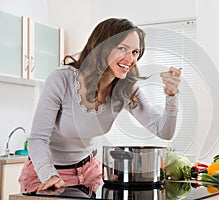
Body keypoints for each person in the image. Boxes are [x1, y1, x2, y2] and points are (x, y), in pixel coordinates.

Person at [18, 18, 181, 193]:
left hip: (89, 174)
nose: (130, 59)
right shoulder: (62, 79)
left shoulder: (126, 88)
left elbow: (164, 131)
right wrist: (49, 175)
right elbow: (37, 140)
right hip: (48, 175)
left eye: (135, 52)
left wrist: (171, 96)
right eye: (122, 48)